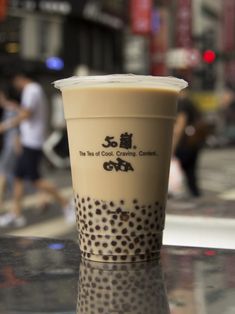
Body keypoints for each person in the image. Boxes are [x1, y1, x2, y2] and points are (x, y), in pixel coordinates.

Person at [0, 71, 74, 227]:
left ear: (19, 78)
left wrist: (5, 125)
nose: (15, 86)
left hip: (32, 142)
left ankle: (66, 204)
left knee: (35, 180)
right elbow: (26, 112)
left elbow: (26, 113)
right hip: (29, 140)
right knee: (19, 178)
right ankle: (16, 213)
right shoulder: (33, 90)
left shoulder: (31, 89)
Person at [172, 90, 207, 198]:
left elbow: (180, 126)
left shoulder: (182, 103)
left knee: (176, 171)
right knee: (191, 173)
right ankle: (196, 195)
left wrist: (172, 146)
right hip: (193, 144)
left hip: (184, 144)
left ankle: (175, 194)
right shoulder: (191, 103)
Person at [0, 84, 20, 209]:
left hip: (11, 144)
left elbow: (17, 127)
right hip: (11, 144)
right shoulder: (9, 107)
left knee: (2, 171)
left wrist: (3, 126)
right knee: (12, 175)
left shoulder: (11, 107)